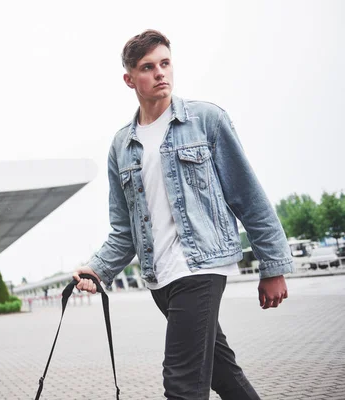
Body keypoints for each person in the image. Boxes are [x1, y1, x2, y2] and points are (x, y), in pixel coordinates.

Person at [73, 29, 293, 400]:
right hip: (161, 278)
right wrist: (98, 269)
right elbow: (124, 229)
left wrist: (273, 266)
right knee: (223, 375)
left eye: (165, 63)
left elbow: (248, 196)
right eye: (148, 67)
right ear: (129, 79)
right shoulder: (121, 146)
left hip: (201, 267)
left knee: (181, 384)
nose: (160, 73)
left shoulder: (207, 121)